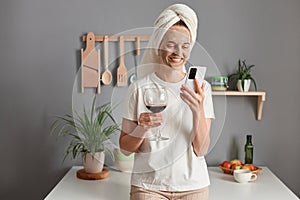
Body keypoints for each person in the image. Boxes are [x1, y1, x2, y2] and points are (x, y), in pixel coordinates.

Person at [119, 4, 215, 200]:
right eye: (171, 44)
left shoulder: (201, 88)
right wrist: (142, 128)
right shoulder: (138, 88)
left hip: (194, 186)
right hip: (147, 187)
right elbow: (125, 148)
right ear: (159, 43)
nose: (177, 52)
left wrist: (198, 111)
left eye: (185, 45)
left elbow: (201, 149)